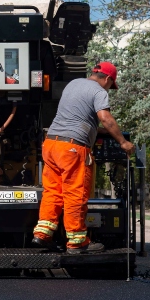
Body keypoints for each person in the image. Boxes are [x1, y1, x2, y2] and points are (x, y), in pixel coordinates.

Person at [32, 61, 134, 254]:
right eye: (111, 85)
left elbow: (79, 118)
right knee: (75, 193)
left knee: (53, 191)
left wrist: (104, 132)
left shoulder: (74, 84)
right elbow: (105, 117)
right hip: (73, 148)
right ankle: (77, 242)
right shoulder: (99, 92)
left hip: (52, 144)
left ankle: (42, 234)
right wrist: (123, 142)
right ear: (108, 79)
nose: (109, 89)